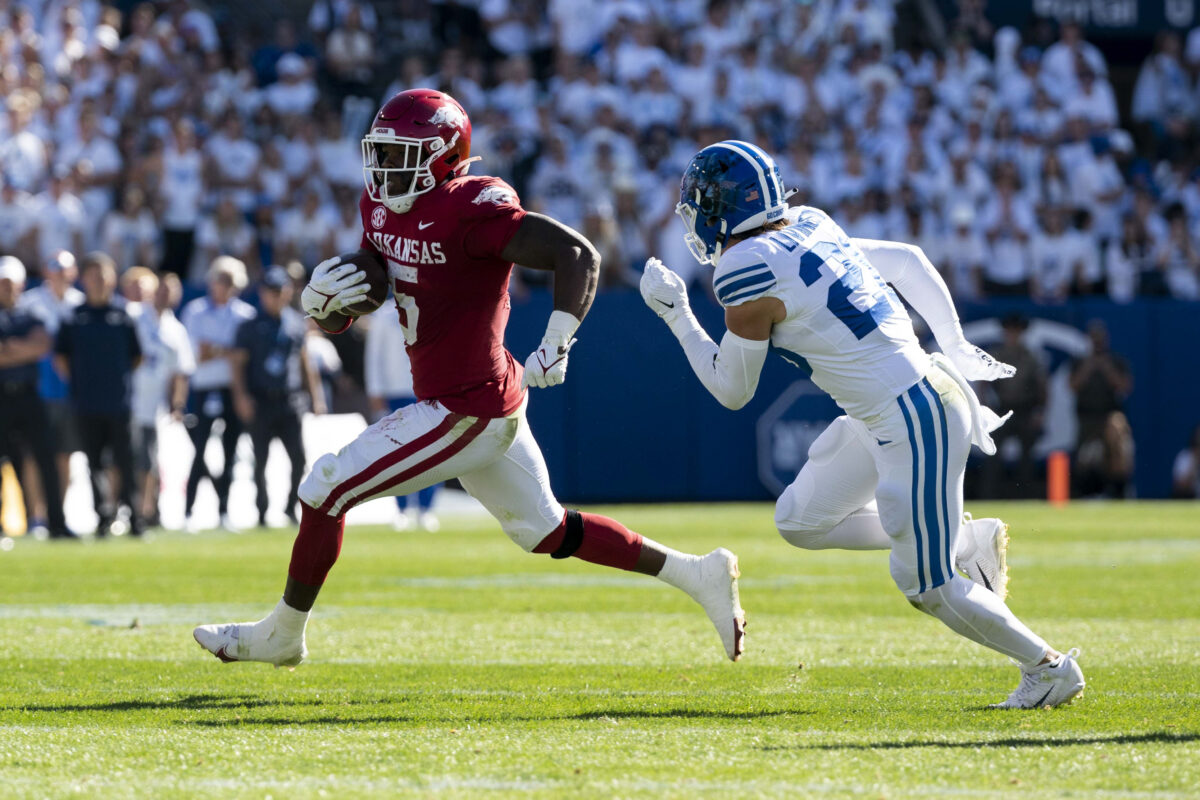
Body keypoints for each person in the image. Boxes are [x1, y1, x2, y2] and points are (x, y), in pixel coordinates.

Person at [194, 89, 745, 668]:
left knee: (325, 487)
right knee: (549, 531)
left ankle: (282, 634)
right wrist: (330, 306)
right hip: (479, 400)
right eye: (381, 152)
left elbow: (577, 255)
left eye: (401, 154)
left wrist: (556, 342)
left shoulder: (472, 207)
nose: (384, 169)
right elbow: (377, 280)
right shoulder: (378, 204)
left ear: (442, 156)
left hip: (466, 408)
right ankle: (697, 574)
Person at [639, 140, 1084, 709]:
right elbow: (907, 261)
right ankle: (961, 539)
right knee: (801, 520)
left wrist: (677, 315)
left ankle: (1049, 668)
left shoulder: (743, 268)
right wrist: (954, 342)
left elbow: (731, 389)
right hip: (898, 407)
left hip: (913, 415)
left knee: (927, 586)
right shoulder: (809, 223)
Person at [54, 252, 143, 537]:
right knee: (93, 464)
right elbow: (61, 357)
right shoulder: (74, 317)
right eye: (93, 276)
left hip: (118, 401)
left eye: (103, 275)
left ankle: (134, 517)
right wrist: (81, 382)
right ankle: (102, 517)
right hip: (86, 403)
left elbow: (136, 356)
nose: (99, 281)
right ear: (83, 279)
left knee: (125, 462)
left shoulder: (123, 315)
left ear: (113, 279)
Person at [230, 267, 325, 528]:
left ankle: (289, 507)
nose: (275, 296)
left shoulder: (296, 323)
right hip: (260, 399)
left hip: (289, 399)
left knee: (298, 457)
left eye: (280, 290)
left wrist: (315, 396)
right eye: (271, 291)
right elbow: (238, 365)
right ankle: (261, 509)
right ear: (262, 293)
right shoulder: (250, 326)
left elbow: (305, 362)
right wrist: (241, 397)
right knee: (260, 458)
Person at [179, 257, 256, 533]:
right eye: (219, 279)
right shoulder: (195, 311)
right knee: (199, 450)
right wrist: (227, 352)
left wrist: (217, 350)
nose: (223, 286)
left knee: (230, 450)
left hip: (232, 388)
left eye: (229, 281)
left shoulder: (245, 314)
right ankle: (188, 511)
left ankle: (224, 511)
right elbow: (196, 353)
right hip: (203, 388)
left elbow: (244, 355)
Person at [0, 256, 74, 539]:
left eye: (12, 283)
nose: (8, 289)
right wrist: (24, 348)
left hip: (30, 396)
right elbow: (32, 347)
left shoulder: (31, 314)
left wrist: (8, 349)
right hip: (2, 398)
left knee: (46, 458)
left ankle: (55, 522)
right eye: (3, 283)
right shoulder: (30, 317)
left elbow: (42, 346)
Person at [364, 301, 441, 532]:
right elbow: (373, 354)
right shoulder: (385, 314)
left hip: (427, 391)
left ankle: (427, 509)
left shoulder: (433, 308)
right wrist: (375, 390)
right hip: (394, 392)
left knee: (431, 452)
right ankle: (402, 508)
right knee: (396, 453)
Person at [130, 272, 194, 528]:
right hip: (127, 398)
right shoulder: (134, 316)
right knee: (119, 459)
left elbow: (182, 372)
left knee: (148, 461)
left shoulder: (176, 329)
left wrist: (177, 405)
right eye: (163, 289)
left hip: (153, 406)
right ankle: (117, 508)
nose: (166, 294)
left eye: (172, 290)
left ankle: (143, 511)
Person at [980, 314, 1047, 499]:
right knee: (992, 453)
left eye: (1016, 331)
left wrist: (1040, 412)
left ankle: (1025, 497)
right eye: (1009, 331)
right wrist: (984, 409)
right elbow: (983, 385)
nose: (1013, 335)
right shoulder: (997, 355)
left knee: (1027, 457)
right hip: (1001, 409)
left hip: (1025, 409)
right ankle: (989, 496)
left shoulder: (1030, 356)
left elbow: (1042, 387)